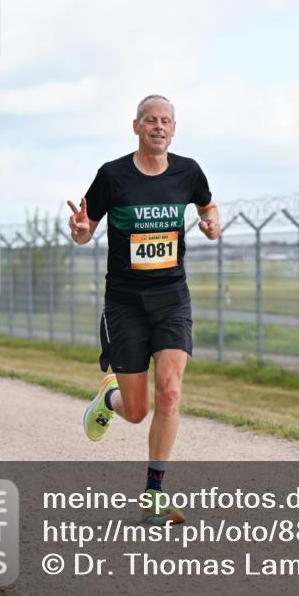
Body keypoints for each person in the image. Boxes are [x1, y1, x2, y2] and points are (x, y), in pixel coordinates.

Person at [67, 94, 221, 524]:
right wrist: (79, 231)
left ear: (174, 129)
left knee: (170, 392)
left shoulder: (188, 171)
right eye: (150, 120)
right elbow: (85, 229)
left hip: (172, 298)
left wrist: (212, 222)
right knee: (138, 412)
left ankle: (154, 494)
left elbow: (207, 205)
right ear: (135, 126)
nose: (158, 127)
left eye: (166, 121)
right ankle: (109, 395)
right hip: (125, 303)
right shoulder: (112, 176)